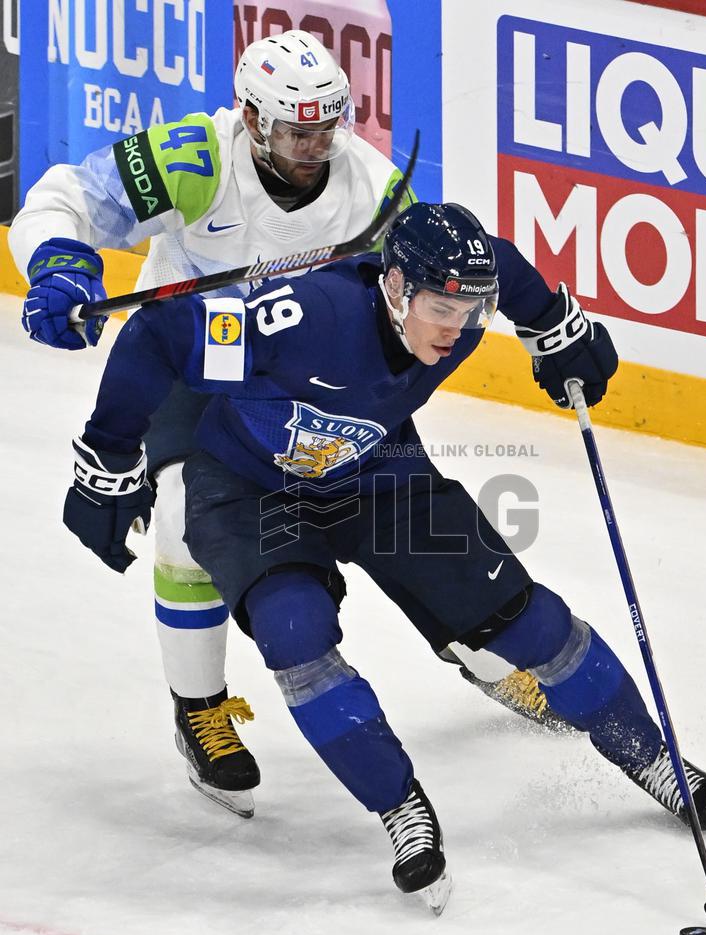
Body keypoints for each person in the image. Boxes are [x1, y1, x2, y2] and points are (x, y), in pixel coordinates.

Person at [61, 202, 706, 914]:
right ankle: (399, 808)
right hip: (250, 487)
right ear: (397, 285)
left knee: (523, 623)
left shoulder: (470, 289)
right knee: (295, 632)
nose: (459, 328)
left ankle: (652, 757)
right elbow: (160, 335)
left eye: (474, 312)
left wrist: (556, 328)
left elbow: (502, 263)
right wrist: (106, 457)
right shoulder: (303, 318)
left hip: (380, 472)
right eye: (442, 308)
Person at [8, 30, 438, 818]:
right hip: (195, 360)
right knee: (179, 523)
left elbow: (425, 294)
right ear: (250, 117)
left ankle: (483, 647)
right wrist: (60, 264)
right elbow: (62, 196)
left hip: (312, 374)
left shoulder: (374, 189)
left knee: (416, 521)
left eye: (327, 126)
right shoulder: (195, 156)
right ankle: (199, 707)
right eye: (295, 130)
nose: (315, 147)